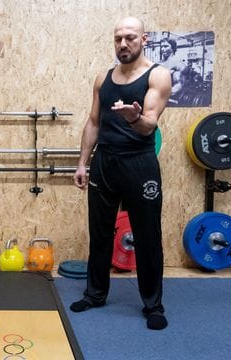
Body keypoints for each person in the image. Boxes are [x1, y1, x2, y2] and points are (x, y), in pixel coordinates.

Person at [71, 17, 171, 330]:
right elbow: (93, 122)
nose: (123, 44)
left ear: (145, 39)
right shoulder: (103, 78)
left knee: (148, 237)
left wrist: (133, 118)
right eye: (118, 39)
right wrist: (82, 162)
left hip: (139, 165)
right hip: (105, 163)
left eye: (130, 37)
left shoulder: (158, 76)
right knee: (100, 233)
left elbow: (149, 124)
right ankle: (95, 293)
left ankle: (153, 305)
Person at [158, 37, 187, 104]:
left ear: (173, 48)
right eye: (161, 47)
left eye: (165, 46)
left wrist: (160, 94)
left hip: (169, 100)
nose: (162, 49)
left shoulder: (178, 65)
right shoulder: (157, 63)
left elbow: (179, 85)